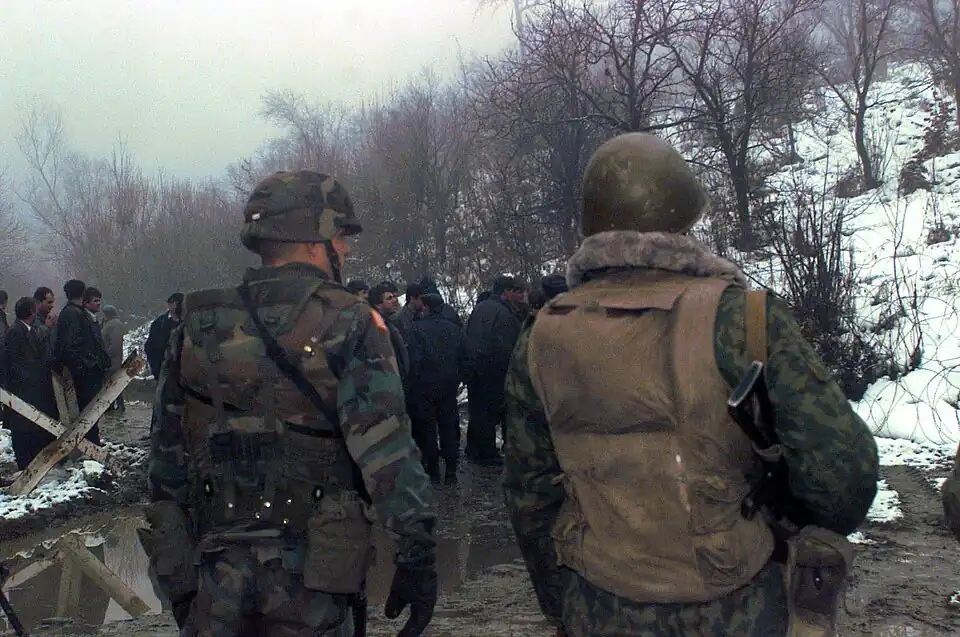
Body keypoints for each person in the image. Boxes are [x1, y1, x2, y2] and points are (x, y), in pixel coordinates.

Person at [502, 132, 879, 637]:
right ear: (683, 216)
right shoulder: (743, 319)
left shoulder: (541, 333)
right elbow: (843, 475)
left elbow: (529, 495)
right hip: (737, 607)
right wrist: (786, 522)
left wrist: (563, 603)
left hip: (596, 605)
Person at [141, 170, 437, 637]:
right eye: (340, 237)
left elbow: (165, 463)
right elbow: (386, 450)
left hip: (215, 580)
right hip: (315, 581)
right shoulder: (351, 320)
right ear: (315, 240)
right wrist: (416, 551)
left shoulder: (197, 325)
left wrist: (178, 583)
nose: (346, 249)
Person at [405, 293, 466, 484]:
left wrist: (412, 383)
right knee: (449, 427)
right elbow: (464, 355)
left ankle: (433, 470)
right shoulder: (454, 329)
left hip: (424, 386)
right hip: (448, 385)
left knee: (428, 429)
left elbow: (414, 361)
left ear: (425, 307)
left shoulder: (416, 329)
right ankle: (451, 470)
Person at [2, 297, 59, 469]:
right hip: (22, 390)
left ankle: (32, 461)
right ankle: (25, 464)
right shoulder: (15, 333)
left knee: (31, 427)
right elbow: (16, 364)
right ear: (32, 312)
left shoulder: (27, 330)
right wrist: (31, 380)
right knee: (22, 429)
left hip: (30, 389)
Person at [54, 279, 110, 444]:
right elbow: (73, 346)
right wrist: (89, 366)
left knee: (90, 411)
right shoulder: (73, 313)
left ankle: (91, 441)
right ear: (83, 293)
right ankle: (90, 443)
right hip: (84, 374)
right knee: (88, 411)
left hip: (84, 371)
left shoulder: (74, 312)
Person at [145, 292, 184, 380]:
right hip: (165, 371)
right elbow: (150, 347)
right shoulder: (159, 324)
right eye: (177, 304)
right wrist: (157, 370)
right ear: (170, 305)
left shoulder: (188, 321)